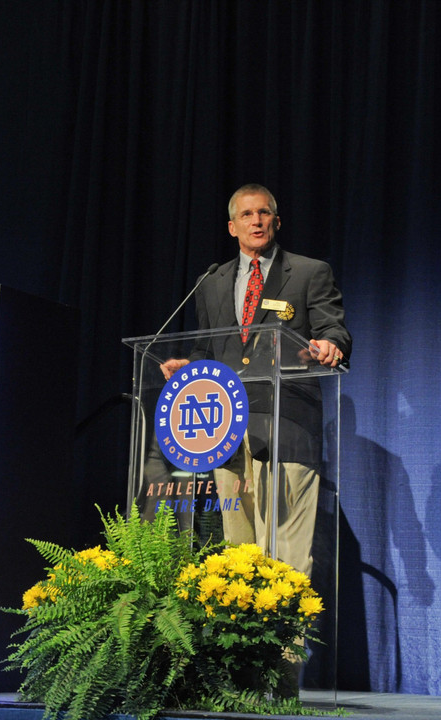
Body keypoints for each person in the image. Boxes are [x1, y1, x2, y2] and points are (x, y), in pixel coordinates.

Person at [160, 184, 351, 576]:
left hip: (287, 423)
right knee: (237, 552)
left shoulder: (310, 272)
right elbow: (206, 349)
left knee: (284, 556)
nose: (256, 221)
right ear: (233, 227)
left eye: (263, 213)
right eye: (246, 215)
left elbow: (334, 330)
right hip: (224, 429)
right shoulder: (210, 282)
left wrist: (330, 345)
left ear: (276, 221)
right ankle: (248, 638)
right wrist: (188, 367)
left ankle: (286, 640)